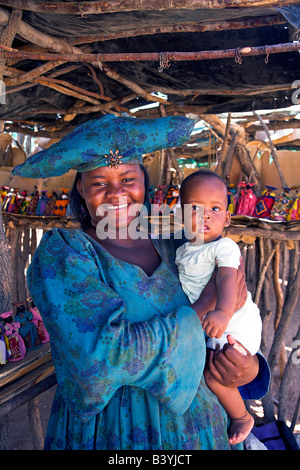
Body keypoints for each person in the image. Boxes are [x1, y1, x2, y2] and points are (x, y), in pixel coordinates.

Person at [13, 115, 269, 450]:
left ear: (144, 182)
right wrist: (205, 306)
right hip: (115, 435)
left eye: (128, 178)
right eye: (99, 183)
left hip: (205, 433)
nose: (117, 193)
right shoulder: (66, 256)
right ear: (81, 189)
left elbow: (234, 320)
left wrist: (244, 368)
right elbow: (99, 361)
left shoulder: (181, 248)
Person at [175, 169, 262, 445]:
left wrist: (223, 311)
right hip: (216, 327)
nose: (205, 216)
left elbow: (227, 279)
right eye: (195, 209)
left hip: (236, 323)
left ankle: (242, 416)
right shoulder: (182, 251)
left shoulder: (224, 247)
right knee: (211, 373)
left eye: (214, 208)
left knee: (216, 378)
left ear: (226, 218)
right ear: (181, 215)